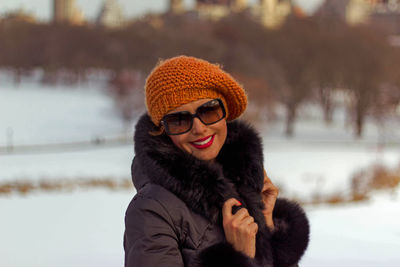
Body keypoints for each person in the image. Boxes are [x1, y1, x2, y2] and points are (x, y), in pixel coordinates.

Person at [124, 56, 309, 267]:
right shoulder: (152, 209)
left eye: (209, 110)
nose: (199, 128)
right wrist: (239, 256)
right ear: (162, 131)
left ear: (225, 112)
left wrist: (266, 226)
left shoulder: (243, 185)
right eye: (179, 120)